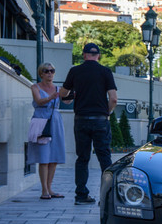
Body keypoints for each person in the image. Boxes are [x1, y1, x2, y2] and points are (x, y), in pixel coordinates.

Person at [59, 43, 118, 205]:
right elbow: (113, 98)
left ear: (84, 55)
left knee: (82, 158)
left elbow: (63, 94)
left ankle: (81, 195)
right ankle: (106, 198)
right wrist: (107, 112)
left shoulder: (75, 71)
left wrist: (72, 93)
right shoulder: (105, 72)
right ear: (98, 55)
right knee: (105, 159)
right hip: (100, 120)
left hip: (81, 120)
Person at [27, 63, 66, 199]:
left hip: (55, 121)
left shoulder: (58, 89)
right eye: (46, 71)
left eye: (52, 71)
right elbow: (38, 101)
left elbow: (67, 101)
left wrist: (72, 94)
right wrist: (51, 97)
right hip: (41, 121)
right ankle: (44, 190)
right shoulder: (35, 87)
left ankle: (50, 188)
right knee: (43, 158)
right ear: (41, 73)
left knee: (53, 158)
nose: (50, 73)